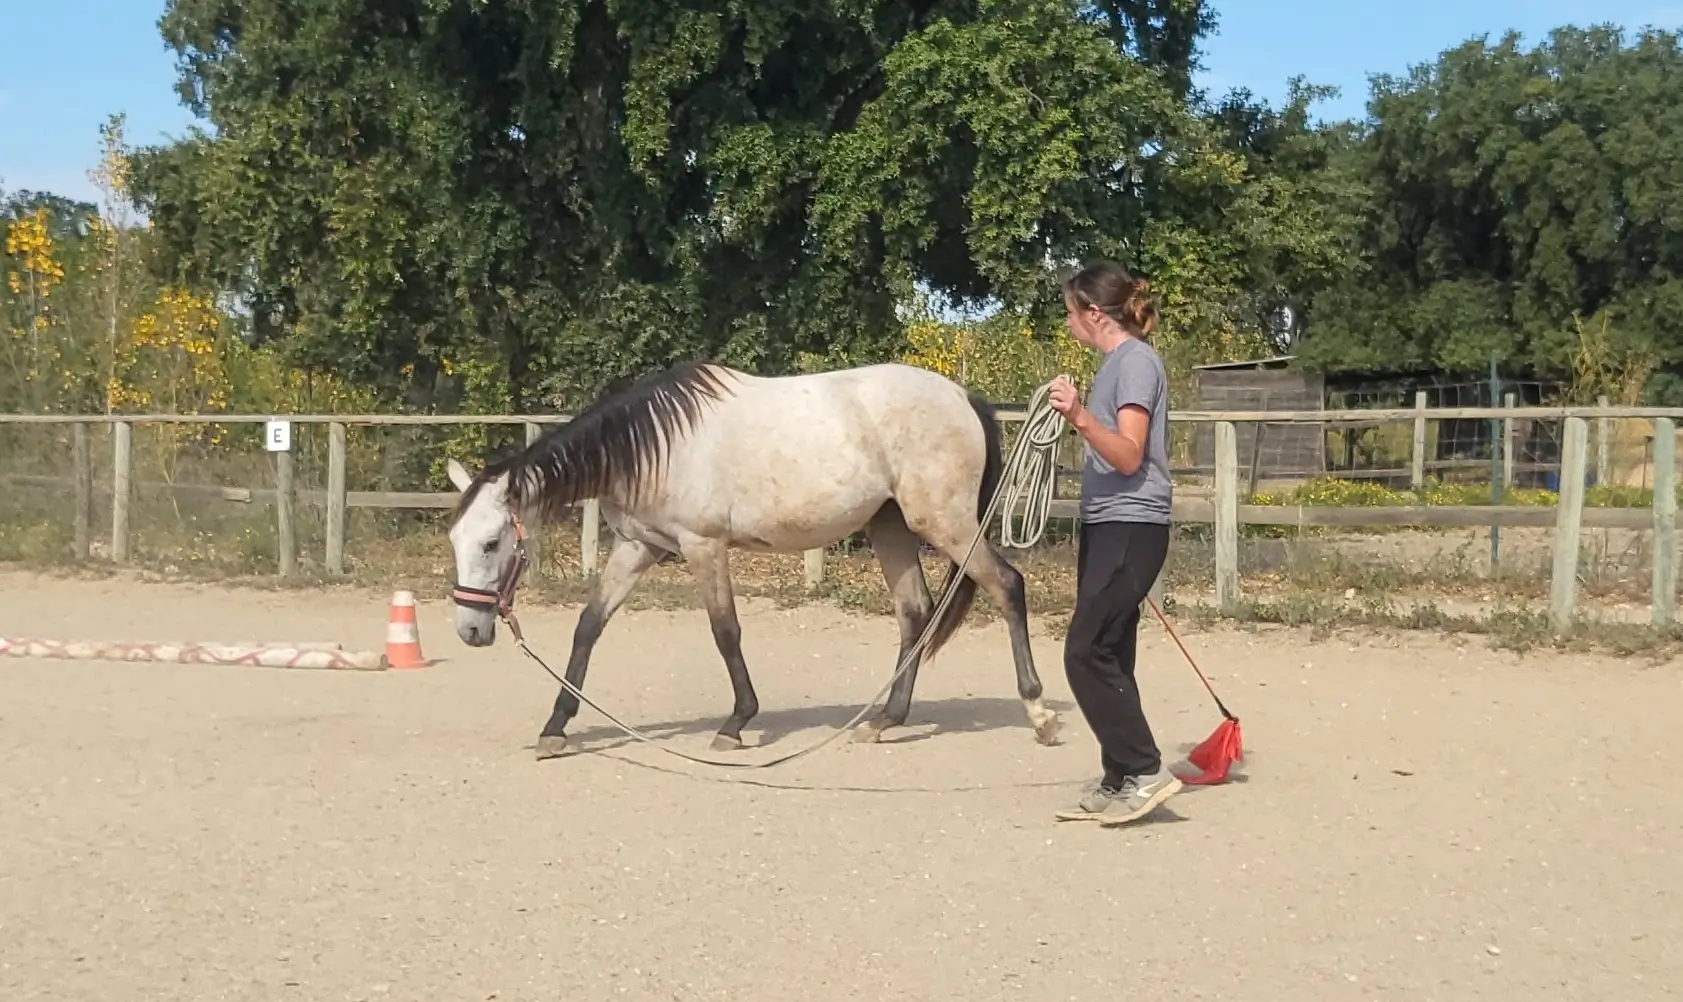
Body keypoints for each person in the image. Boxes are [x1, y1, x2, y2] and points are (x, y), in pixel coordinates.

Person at [1046, 259, 1182, 827]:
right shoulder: (1115, 365)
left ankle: (1145, 769)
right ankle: (1120, 775)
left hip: (1132, 523)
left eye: (1070, 312)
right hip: (1107, 522)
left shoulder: (1136, 364)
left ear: (1093, 313)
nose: (1067, 322)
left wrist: (1079, 416)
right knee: (1112, 650)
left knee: (1084, 651)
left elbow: (1129, 454)